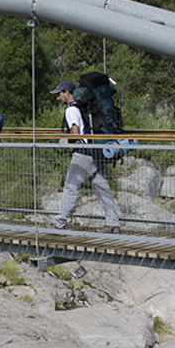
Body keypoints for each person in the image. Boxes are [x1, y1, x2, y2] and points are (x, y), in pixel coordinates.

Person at [50, 80, 121, 234]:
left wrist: (64, 141)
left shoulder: (71, 109)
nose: (57, 98)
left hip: (83, 153)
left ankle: (59, 223)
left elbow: (75, 132)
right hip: (96, 151)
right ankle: (113, 222)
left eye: (59, 94)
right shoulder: (84, 106)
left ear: (67, 92)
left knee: (71, 187)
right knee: (102, 187)